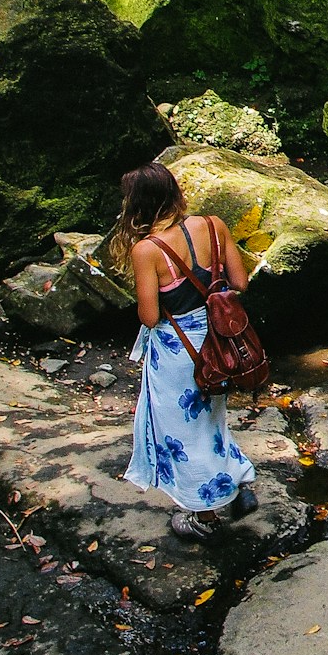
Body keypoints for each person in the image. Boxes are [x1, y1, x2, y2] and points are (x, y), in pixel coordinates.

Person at [107, 162, 260, 542]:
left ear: (137, 205)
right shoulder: (214, 225)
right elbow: (239, 281)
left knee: (183, 433)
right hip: (221, 342)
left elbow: (148, 315)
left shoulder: (147, 250)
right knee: (213, 421)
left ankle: (204, 520)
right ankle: (239, 488)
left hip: (180, 353)